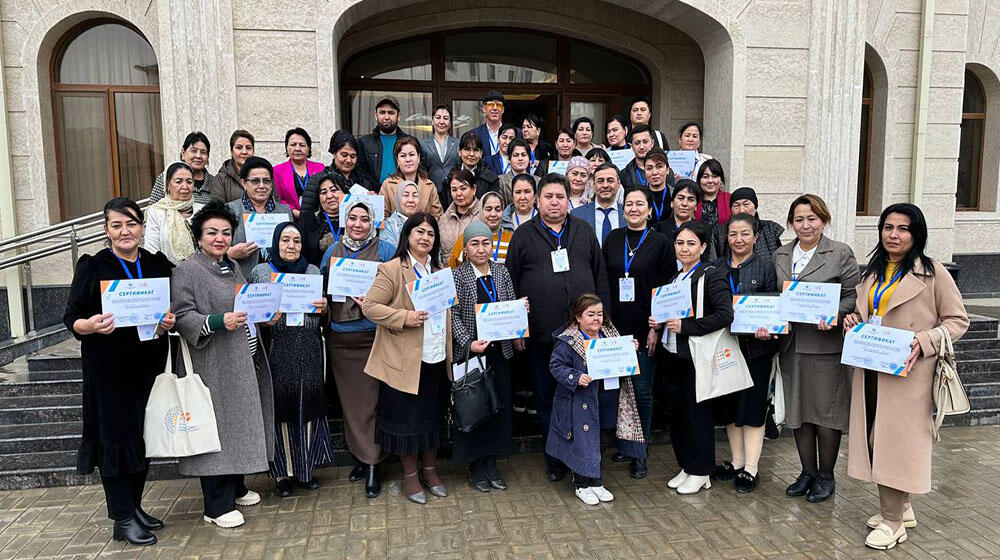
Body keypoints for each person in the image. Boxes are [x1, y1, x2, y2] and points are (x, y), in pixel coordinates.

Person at [842, 203, 969, 550]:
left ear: (917, 235)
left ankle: (893, 522)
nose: (893, 235)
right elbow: (868, 312)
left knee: (894, 446)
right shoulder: (874, 272)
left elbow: (958, 320)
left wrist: (924, 340)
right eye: (888, 227)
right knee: (877, 438)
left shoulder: (933, 273)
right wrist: (853, 319)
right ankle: (904, 507)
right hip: (872, 369)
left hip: (909, 375)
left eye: (903, 229)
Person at [63, 198, 175, 546]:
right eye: (116, 225)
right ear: (106, 230)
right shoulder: (94, 266)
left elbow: (169, 308)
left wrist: (167, 322)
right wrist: (90, 326)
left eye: (131, 224)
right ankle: (122, 518)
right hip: (109, 369)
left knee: (142, 437)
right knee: (115, 440)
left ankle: (135, 507)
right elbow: (71, 318)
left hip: (149, 363)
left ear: (142, 226)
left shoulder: (157, 263)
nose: (125, 232)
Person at [171, 201, 275, 529]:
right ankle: (215, 505)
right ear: (199, 236)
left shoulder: (228, 266)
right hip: (213, 363)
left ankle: (236, 486)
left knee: (239, 423)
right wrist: (218, 321)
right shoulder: (188, 269)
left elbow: (244, 302)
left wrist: (265, 312)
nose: (220, 238)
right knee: (218, 430)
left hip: (242, 359)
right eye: (212, 232)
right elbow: (183, 316)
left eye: (226, 232)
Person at [505, 173, 611, 481]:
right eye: (548, 196)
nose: (554, 202)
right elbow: (511, 283)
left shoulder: (584, 230)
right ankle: (554, 456)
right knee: (546, 394)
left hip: (583, 335)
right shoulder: (524, 235)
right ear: (537, 201)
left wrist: (605, 324)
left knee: (582, 394)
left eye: (560, 197)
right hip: (541, 335)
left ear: (569, 200)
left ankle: (582, 452)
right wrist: (517, 330)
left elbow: (600, 276)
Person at [772, 194, 860, 503]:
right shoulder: (781, 255)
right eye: (799, 219)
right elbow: (775, 297)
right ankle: (807, 471)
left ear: (824, 220)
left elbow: (853, 295)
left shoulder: (839, 253)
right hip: (791, 345)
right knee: (799, 412)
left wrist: (835, 315)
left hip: (825, 346)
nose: (805, 225)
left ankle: (826, 475)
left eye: (812, 218)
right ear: (791, 223)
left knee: (825, 413)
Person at [362, 213, 452, 505]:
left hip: (437, 356)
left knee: (431, 418)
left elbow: (449, 309)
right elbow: (370, 308)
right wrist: (404, 317)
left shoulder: (440, 270)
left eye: (430, 233)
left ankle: (430, 470)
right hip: (404, 361)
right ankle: (411, 476)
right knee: (407, 422)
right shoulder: (391, 270)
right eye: (419, 232)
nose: (425, 237)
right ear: (407, 236)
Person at [248, 223, 332, 497]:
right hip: (277, 347)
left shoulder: (311, 271)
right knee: (280, 407)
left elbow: (321, 314)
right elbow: (251, 314)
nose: (292, 246)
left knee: (308, 405)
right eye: (285, 240)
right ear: (275, 242)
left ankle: (306, 470)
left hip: (307, 346)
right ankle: (281, 475)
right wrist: (264, 318)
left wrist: (324, 308)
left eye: (296, 240)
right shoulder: (261, 272)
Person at [321, 198, 396, 498]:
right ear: (344, 221)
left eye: (364, 219)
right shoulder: (331, 252)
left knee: (373, 403)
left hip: (374, 337)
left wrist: (377, 302)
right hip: (342, 341)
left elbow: (397, 289)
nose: (357, 224)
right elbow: (323, 291)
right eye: (352, 218)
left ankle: (374, 463)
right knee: (352, 406)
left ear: (373, 223)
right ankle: (362, 459)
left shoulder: (386, 251)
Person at [651, 221, 733, 494]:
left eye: (691, 243)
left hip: (696, 357)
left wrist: (686, 327)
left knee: (697, 415)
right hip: (673, 355)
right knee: (678, 415)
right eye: (680, 243)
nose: (684, 249)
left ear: (704, 247)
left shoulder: (711, 275)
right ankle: (687, 465)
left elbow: (724, 314)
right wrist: (659, 321)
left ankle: (702, 470)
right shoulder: (675, 278)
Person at [601, 189, 673, 478]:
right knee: (619, 391)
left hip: (646, 327)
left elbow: (666, 289)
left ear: (649, 210)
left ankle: (639, 451)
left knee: (642, 391)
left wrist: (656, 328)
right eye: (628, 203)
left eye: (639, 204)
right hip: (615, 327)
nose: (633, 208)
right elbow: (603, 279)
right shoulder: (613, 239)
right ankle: (625, 444)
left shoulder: (661, 243)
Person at [547, 294, 643, 505]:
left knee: (600, 441)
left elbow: (622, 361)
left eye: (599, 314)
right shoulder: (568, 340)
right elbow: (556, 366)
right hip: (580, 401)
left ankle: (597, 482)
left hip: (606, 399)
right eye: (590, 314)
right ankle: (581, 484)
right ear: (578, 317)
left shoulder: (610, 335)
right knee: (582, 443)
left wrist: (629, 349)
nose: (596, 319)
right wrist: (575, 377)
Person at [450, 222, 524, 491]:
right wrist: (469, 343)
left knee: (498, 407)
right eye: (474, 244)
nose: (481, 249)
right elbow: (453, 315)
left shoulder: (502, 272)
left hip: (500, 353)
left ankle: (492, 462)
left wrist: (519, 317)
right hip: (473, 354)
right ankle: (475, 466)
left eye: (485, 243)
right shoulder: (457, 276)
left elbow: (511, 304)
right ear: (466, 249)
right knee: (475, 409)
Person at [710, 213, 779, 493]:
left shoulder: (765, 267)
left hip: (756, 350)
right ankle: (737, 462)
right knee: (729, 408)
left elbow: (775, 306)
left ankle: (751, 468)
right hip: (725, 348)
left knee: (752, 408)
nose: (738, 239)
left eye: (745, 234)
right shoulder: (715, 267)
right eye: (733, 234)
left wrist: (769, 327)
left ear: (756, 237)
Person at [225, 156, 294, 278]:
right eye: (255, 181)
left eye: (266, 181)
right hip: (242, 280)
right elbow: (211, 251)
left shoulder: (285, 211)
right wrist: (230, 253)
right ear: (244, 183)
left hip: (280, 280)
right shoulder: (229, 210)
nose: (262, 186)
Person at [301, 131, 375, 218]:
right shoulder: (317, 180)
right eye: (344, 155)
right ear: (334, 154)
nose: (348, 160)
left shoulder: (364, 181)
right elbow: (306, 216)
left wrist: (373, 201)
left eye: (353, 156)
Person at [144, 162, 204, 265]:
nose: (185, 186)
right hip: (168, 274)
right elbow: (151, 251)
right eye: (178, 182)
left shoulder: (203, 210)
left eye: (189, 182)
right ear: (167, 185)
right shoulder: (156, 212)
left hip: (202, 274)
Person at [358, 95, 420, 186]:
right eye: (382, 112)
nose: (386, 117)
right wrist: (376, 190)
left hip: (404, 193)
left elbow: (420, 169)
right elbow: (361, 171)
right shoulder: (364, 142)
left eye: (391, 113)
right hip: (375, 195)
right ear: (376, 115)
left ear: (398, 116)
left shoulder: (410, 142)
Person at [710, 187, 784, 262]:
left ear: (755, 207)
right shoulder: (719, 232)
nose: (741, 210)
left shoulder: (770, 228)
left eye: (746, 204)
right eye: (736, 206)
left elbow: (780, 260)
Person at [380, 136, 443, 219]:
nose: (408, 159)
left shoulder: (430, 186)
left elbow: (438, 216)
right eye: (403, 156)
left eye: (412, 155)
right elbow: (381, 216)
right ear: (397, 160)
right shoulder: (387, 185)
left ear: (418, 158)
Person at [299, 169, 350, 266]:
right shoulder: (309, 220)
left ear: (344, 192)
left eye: (334, 190)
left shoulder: (354, 219)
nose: (329, 196)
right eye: (323, 192)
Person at [449, 191, 513, 267]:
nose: (493, 214)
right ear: (481, 211)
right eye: (488, 209)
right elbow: (453, 267)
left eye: (498, 209)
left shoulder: (511, 239)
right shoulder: (467, 237)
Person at [273, 128, 325, 218]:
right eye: (293, 145)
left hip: (317, 218)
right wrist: (294, 211)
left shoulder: (320, 168)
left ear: (308, 148)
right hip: (290, 218)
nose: (297, 148)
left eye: (302, 145)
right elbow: (278, 199)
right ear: (287, 147)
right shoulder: (277, 171)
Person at [149, 132, 214, 204]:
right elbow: (153, 208)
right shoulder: (167, 177)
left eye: (203, 152)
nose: (198, 156)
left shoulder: (214, 182)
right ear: (183, 153)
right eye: (193, 151)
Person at [571, 162, 623, 246]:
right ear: (594, 185)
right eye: (600, 181)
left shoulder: (628, 213)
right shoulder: (577, 215)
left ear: (618, 184)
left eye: (610, 180)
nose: (605, 185)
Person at [439, 168, 483, 258]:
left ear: (474, 189)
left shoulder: (483, 216)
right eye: (454, 190)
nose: (458, 194)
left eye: (463, 188)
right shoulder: (444, 219)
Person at [421, 104, 460, 203]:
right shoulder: (423, 144)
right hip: (430, 193)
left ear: (450, 122)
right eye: (438, 118)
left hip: (453, 194)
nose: (442, 121)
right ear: (433, 121)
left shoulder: (458, 143)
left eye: (446, 118)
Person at [209, 130, 255, 203]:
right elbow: (217, 209)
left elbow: (275, 205)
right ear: (231, 151)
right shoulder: (221, 179)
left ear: (253, 151)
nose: (244, 152)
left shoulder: (264, 176)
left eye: (248, 148)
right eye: (239, 147)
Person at [656, 179, 702, 249]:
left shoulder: (703, 230)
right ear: (672, 203)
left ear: (696, 206)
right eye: (681, 198)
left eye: (690, 199)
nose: (684, 204)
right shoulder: (658, 229)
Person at [456, 131, 502, 198]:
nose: (471, 154)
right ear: (459, 152)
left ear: (481, 153)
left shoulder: (491, 179)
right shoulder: (450, 177)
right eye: (467, 149)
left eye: (476, 150)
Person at [473, 90, 509, 175]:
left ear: (503, 110)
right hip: (484, 179)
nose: (495, 108)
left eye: (499, 105)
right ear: (483, 109)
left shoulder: (515, 133)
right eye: (491, 105)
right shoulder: (475, 134)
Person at [380, 180, 422, 248]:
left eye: (415, 195)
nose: (411, 200)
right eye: (406, 195)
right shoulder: (388, 225)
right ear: (398, 199)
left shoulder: (425, 224)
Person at [642, 147, 677, 229]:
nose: (654, 172)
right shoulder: (639, 196)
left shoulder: (676, 195)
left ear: (667, 170)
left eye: (659, 167)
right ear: (645, 171)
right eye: (649, 168)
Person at [695, 159, 731, 230]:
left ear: (721, 180)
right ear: (699, 180)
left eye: (714, 176)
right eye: (705, 177)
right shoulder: (693, 200)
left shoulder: (730, 199)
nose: (710, 181)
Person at [619, 125, 655, 192]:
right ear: (632, 146)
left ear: (652, 143)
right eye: (637, 143)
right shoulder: (624, 174)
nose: (641, 147)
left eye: (645, 142)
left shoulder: (663, 170)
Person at [498, 138, 532, 206]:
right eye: (516, 155)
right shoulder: (500, 181)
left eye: (523, 155)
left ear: (529, 158)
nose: (520, 159)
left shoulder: (537, 181)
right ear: (509, 160)